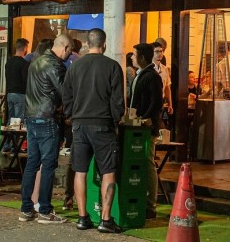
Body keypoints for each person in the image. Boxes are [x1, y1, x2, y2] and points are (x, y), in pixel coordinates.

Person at [62, 28, 125, 234]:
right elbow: (117, 100)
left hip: (79, 125)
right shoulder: (112, 66)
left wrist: (71, 115)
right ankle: (105, 219)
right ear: (104, 44)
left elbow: (66, 96)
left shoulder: (74, 67)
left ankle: (82, 217)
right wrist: (116, 119)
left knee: (80, 171)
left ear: (88, 44)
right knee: (108, 171)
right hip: (103, 124)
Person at [19, 36, 70, 225]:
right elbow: (65, 93)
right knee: (48, 165)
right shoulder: (56, 65)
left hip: (31, 117)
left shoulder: (35, 62)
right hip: (47, 117)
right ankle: (45, 211)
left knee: (32, 163)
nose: (70, 54)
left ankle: (26, 209)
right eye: (70, 50)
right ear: (64, 47)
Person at [128, 42, 163, 220]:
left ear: (142, 57)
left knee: (148, 163)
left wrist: (145, 118)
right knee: (142, 162)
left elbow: (157, 101)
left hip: (146, 127)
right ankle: (143, 200)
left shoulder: (152, 76)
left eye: (134, 55)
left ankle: (151, 205)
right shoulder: (140, 74)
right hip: (137, 125)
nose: (132, 58)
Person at [5, 38, 30, 122]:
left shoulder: (9, 62)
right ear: (25, 48)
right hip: (20, 94)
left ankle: (9, 130)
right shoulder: (24, 63)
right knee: (18, 120)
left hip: (9, 94)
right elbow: (26, 80)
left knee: (11, 119)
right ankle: (15, 131)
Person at [152, 42, 173, 127]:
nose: (160, 54)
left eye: (161, 51)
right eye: (157, 51)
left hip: (161, 102)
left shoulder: (164, 69)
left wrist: (170, 104)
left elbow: (167, 87)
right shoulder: (148, 68)